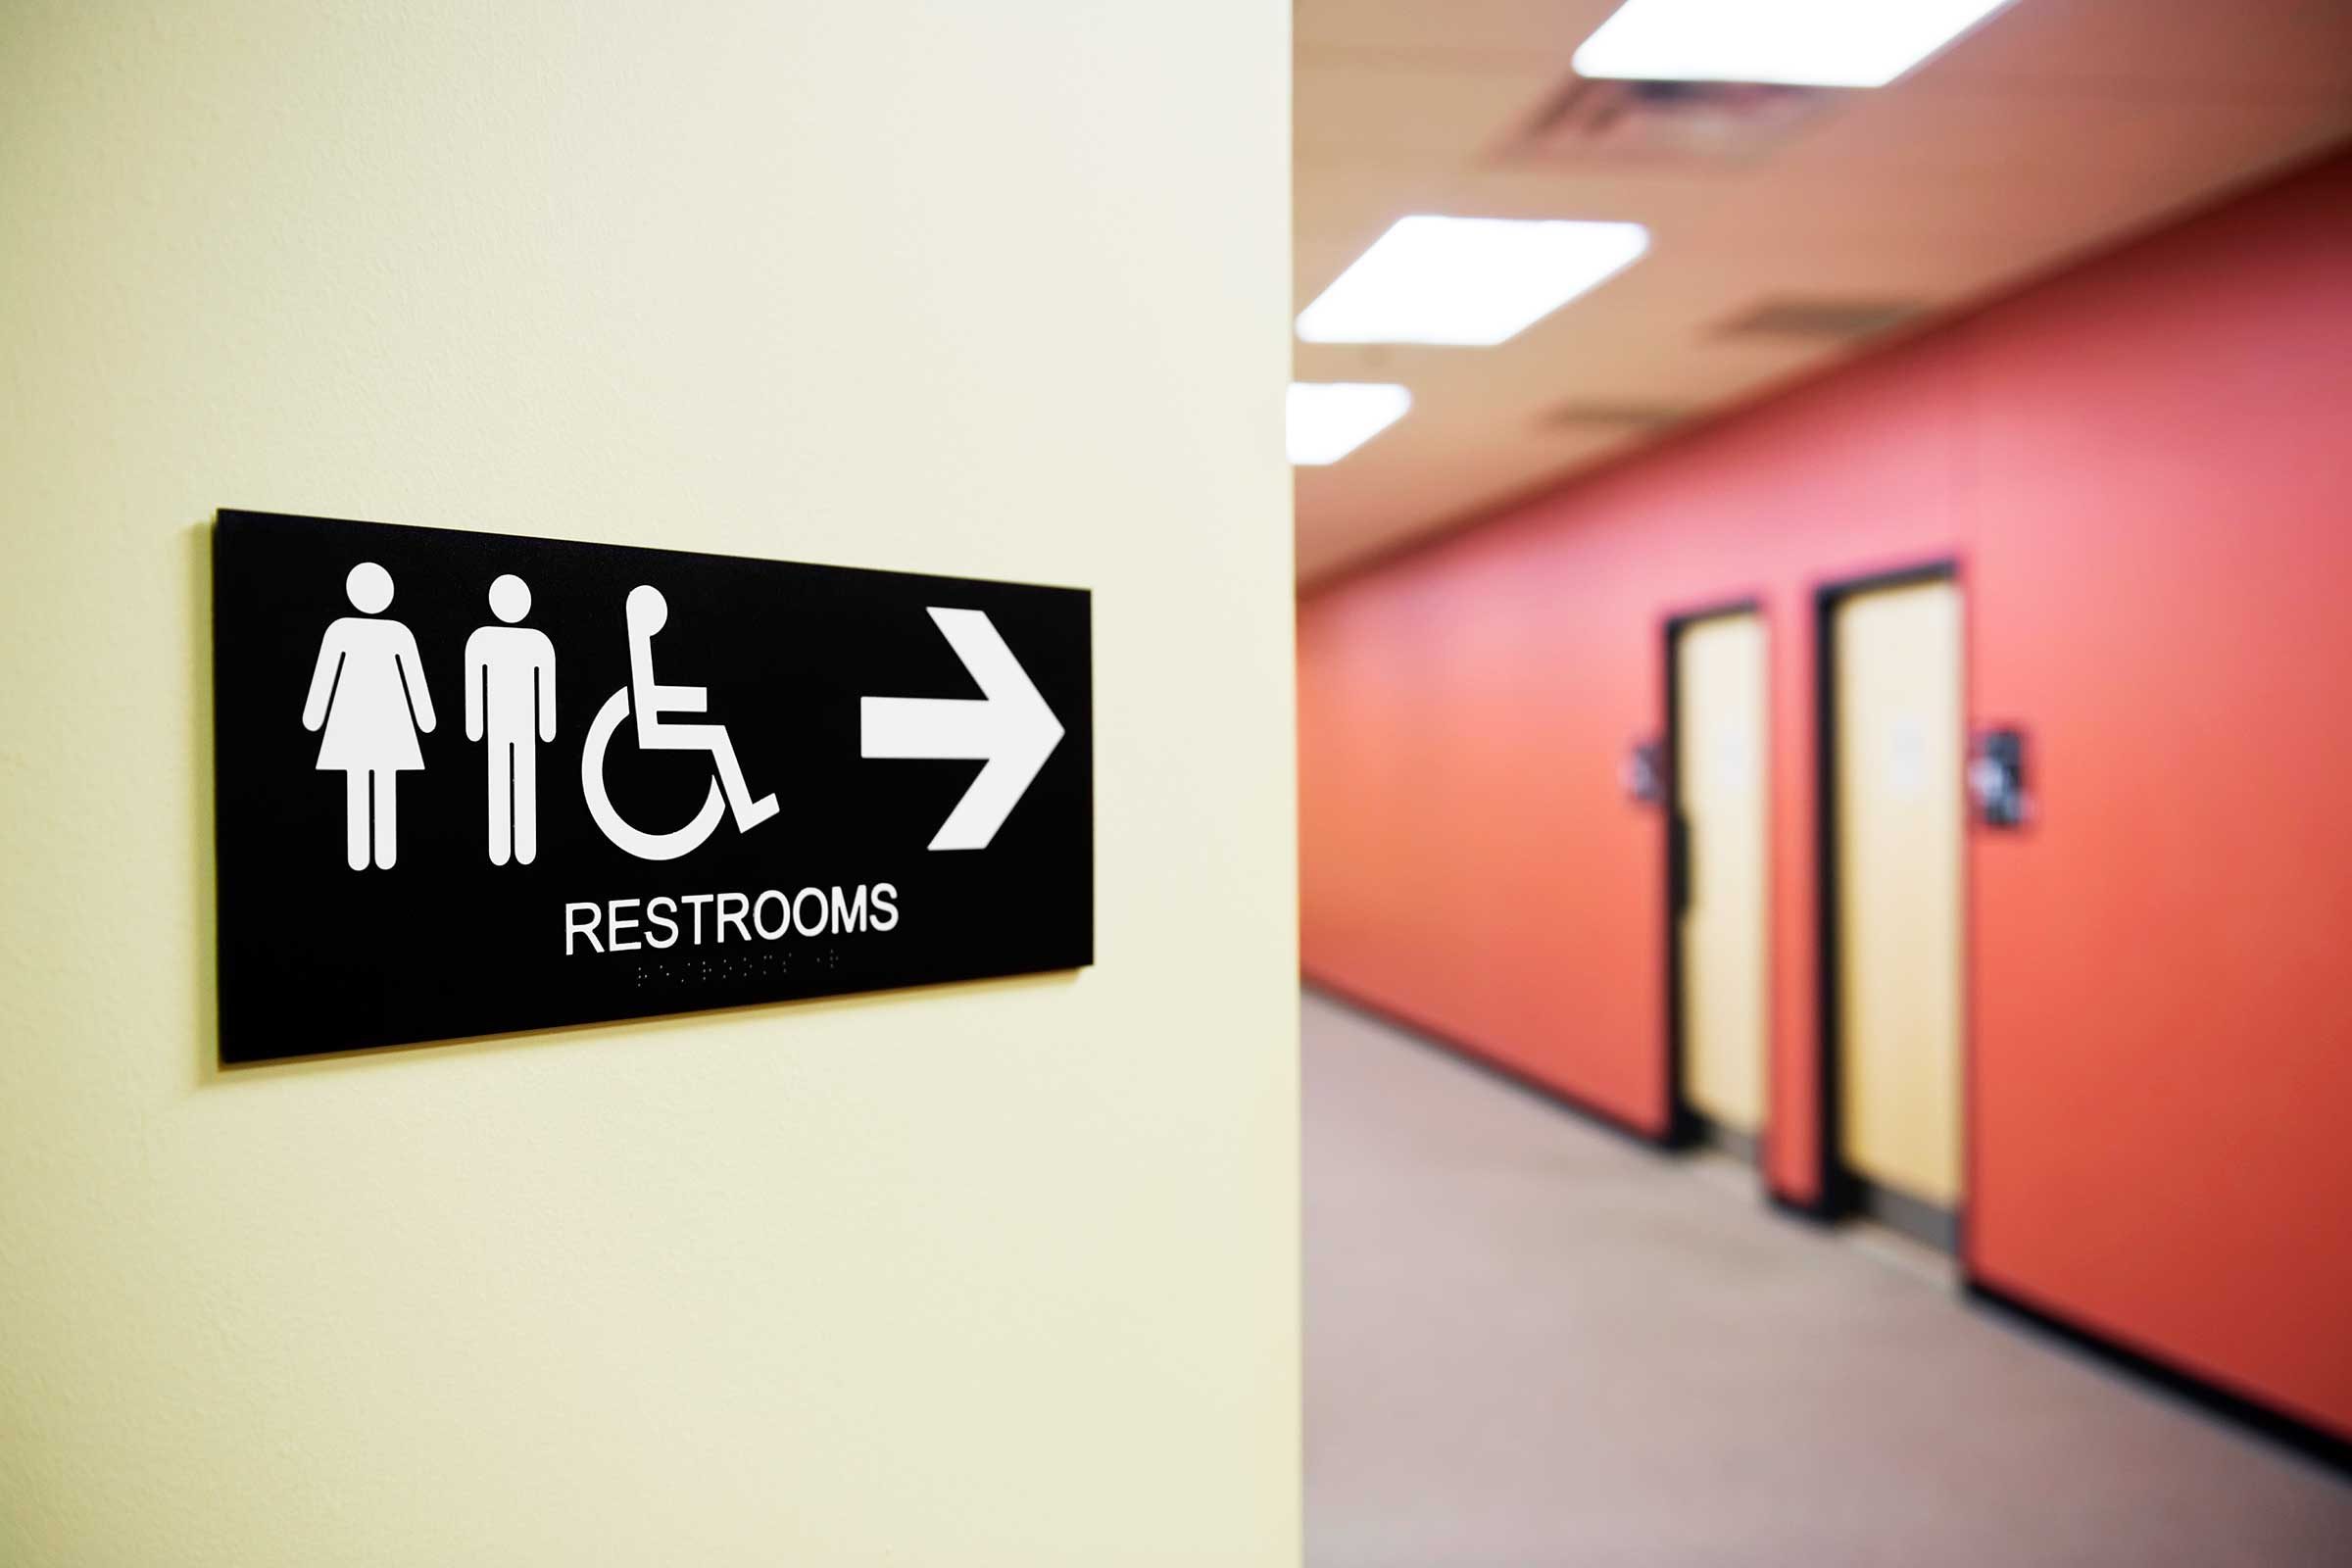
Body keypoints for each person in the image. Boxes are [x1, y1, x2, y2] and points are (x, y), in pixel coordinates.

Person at [302, 561, 435, 870]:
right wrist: (425, 719)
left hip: (373, 723)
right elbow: (326, 676)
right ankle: (366, 853)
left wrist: (315, 717)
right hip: (371, 723)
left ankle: (377, 852)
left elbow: (413, 678)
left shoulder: (374, 632)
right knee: (364, 785)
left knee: (370, 784)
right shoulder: (359, 632)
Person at [624, 584, 777, 830]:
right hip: (650, 728)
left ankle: (746, 808)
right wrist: (692, 699)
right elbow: (646, 695)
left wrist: (692, 699)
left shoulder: (640, 639)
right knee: (715, 736)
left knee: (715, 735)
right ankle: (745, 809)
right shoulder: (639, 641)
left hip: (651, 721)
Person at [465, 573, 557, 865]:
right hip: (501, 723)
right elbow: (474, 685)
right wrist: (475, 725)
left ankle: (525, 845)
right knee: (501, 779)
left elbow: (546, 687)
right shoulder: (482, 639)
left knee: (523, 779)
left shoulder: (538, 642)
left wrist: (547, 725)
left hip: (522, 724)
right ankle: (501, 847)